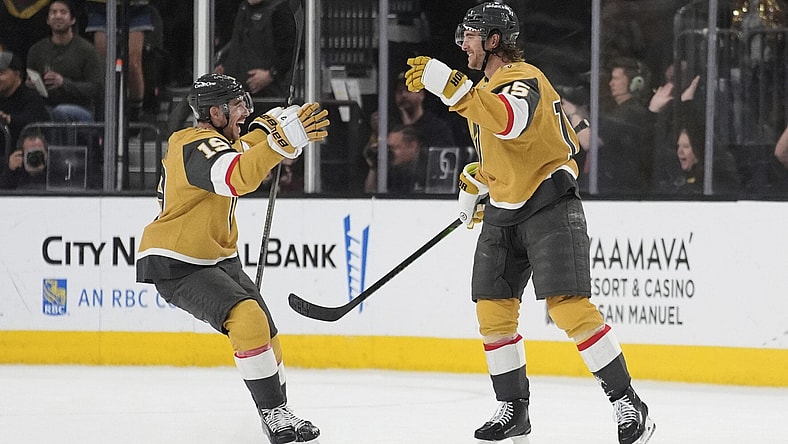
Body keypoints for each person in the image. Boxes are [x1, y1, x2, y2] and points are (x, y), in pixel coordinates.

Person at [405, 3, 655, 444]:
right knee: (492, 311)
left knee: (568, 307)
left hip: (549, 202)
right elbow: (504, 152)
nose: (463, 44)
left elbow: (510, 122)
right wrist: (477, 181)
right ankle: (513, 410)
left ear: (494, 39)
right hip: (505, 211)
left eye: (470, 35)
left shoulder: (524, 78)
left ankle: (627, 401)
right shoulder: (484, 90)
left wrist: (448, 85)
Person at [135, 73, 329, 444]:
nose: (246, 111)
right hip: (178, 261)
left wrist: (276, 128)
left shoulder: (218, 141)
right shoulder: (193, 144)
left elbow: (247, 147)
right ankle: (272, 412)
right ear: (215, 112)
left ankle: (279, 410)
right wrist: (281, 141)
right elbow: (238, 175)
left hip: (216, 258)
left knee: (267, 334)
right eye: (237, 105)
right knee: (247, 318)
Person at [26, 0, 104, 122]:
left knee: (60, 111)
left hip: (81, 108)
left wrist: (63, 83)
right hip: (47, 105)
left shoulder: (87, 50)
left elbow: (96, 88)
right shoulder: (36, 49)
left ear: (72, 19)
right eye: (53, 12)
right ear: (47, 20)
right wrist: (32, 85)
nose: (58, 16)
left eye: (63, 12)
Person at [85, 0, 156, 120]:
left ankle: (135, 111)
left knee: (133, 63)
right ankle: (104, 109)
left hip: (136, 7)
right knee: (102, 65)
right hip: (100, 6)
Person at [215, 0, 297, 99]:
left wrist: (271, 74)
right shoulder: (243, 7)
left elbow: (294, 51)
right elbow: (238, 42)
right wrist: (225, 64)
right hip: (237, 93)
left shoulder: (279, 9)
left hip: (267, 95)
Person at [597, 56, 654, 195]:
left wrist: (573, 112)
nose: (611, 83)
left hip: (622, 188)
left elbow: (591, 141)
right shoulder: (619, 110)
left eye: (616, 79)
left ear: (636, 82)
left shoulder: (631, 112)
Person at [670, 123, 741, 195]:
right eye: (678, 146)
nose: (680, 151)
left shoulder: (712, 181)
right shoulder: (675, 176)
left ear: (698, 150)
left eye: (686, 146)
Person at [0, 50, 51, 149]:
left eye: (1, 73)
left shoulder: (31, 97)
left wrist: (8, 119)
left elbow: (31, 121)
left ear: (17, 74)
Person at [364, 123, 426, 194]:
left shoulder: (429, 167)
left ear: (412, 146)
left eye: (393, 148)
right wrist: (374, 166)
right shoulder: (393, 167)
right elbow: (370, 195)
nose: (389, 152)